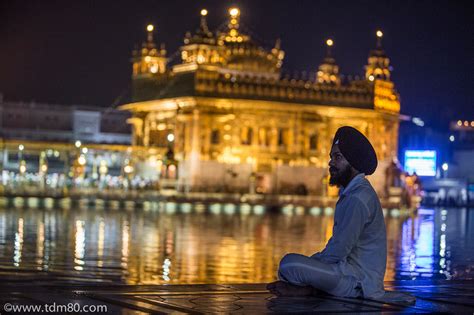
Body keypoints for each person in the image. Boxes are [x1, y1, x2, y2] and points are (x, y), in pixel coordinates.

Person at [267, 126, 387, 299]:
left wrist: (310, 266)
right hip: (347, 274)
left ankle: (310, 290)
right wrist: (312, 266)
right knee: (292, 267)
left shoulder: (358, 198)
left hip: (359, 283)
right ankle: (311, 288)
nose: (331, 162)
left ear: (352, 162)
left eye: (337, 157)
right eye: (331, 157)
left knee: (289, 265)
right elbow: (336, 250)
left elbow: (338, 250)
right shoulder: (354, 192)